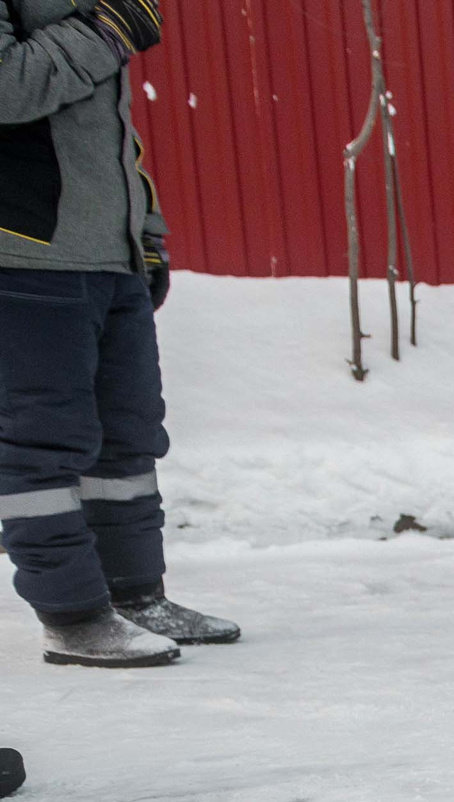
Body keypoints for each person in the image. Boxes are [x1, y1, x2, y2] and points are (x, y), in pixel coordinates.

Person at [2, 0, 238, 666]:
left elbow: (108, 135)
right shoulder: (93, 20)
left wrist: (146, 233)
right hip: (22, 253)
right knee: (40, 446)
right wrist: (104, 31)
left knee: (127, 438)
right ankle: (73, 617)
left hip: (109, 255)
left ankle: (135, 597)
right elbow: (8, 88)